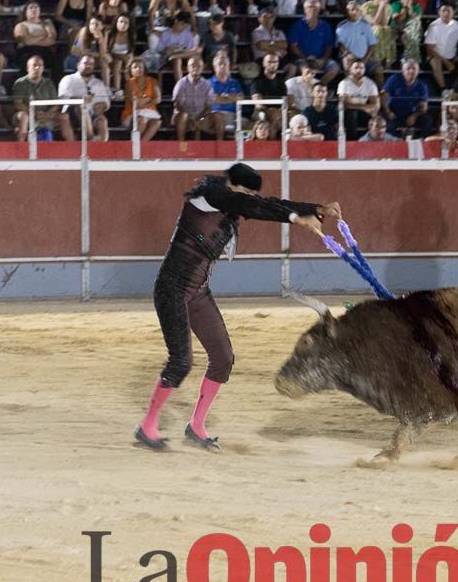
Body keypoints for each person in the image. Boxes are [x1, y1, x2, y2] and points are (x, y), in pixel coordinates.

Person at [135, 162, 334, 451]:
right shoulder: (209, 194)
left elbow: (264, 204)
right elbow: (248, 204)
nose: (246, 198)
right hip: (172, 288)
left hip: (198, 291)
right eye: (243, 191)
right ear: (231, 183)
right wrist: (294, 218)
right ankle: (147, 426)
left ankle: (197, 426)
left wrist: (314, 208)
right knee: (180, 361)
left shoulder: (231, 201)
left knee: (223, 358)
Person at [57, 54, 111, 142]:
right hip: (72, 113)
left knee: (102, 120)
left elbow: (106, 102)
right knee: (82, 106)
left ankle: (102, 147)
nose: (88, 66)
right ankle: (91, 138)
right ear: (78, 65)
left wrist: (102, 106)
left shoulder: (98, 83)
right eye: (85, 63)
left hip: (93, 113)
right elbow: (63, 98)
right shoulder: (68, 79)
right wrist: (80, 99)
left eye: (91, 64)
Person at [288, 0, 338, 84]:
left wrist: (323, 59)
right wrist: (305, 57)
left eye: (315, 7)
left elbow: (329, 46)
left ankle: (320, 87)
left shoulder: (325, 26)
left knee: (334, 68)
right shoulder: (297, 26)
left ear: (319, 10)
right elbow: (293, 46)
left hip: (320, 59)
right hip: (302, 58)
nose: (313, 9)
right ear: (304, 9)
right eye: (310, 7)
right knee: (306, 70)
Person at [424, 4, 458, 91]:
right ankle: (443, 89)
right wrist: (446, 62)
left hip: (452, 58)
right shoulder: (433, 26)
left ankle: (453, 88)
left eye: (448, 11)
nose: (446, 13)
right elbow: (429, 49)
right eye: (443, 11)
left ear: (453, 13)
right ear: (439, 13)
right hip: (436, 57)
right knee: (435, 61)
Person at [383, 58, 433, 138]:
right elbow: (384, 96)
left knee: (427, 120)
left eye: (414, 69)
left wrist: (415, 115)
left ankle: (423, 143)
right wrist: (388, 112)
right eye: (408, 68)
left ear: (418, 71)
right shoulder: (394, 79)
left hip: (412, 114)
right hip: (395, 113)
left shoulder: (422, 86)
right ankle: (395, 144)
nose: (411, 71)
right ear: (403, 71)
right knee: (389, 124)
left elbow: (423, 107)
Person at [122, 57, 163, 141]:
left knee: (157, 122)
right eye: (135, 67)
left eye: (140, 67)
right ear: (130, 70)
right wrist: (149, 99)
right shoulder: (129, 83)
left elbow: (158, 99)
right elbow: (136, 103)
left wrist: (145, 102)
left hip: (151, 113)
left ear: (144, 68)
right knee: (142, 119)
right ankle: (135, 145)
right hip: (132, 113)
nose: (138, 69)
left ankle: (141, 145)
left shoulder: (152, 81)